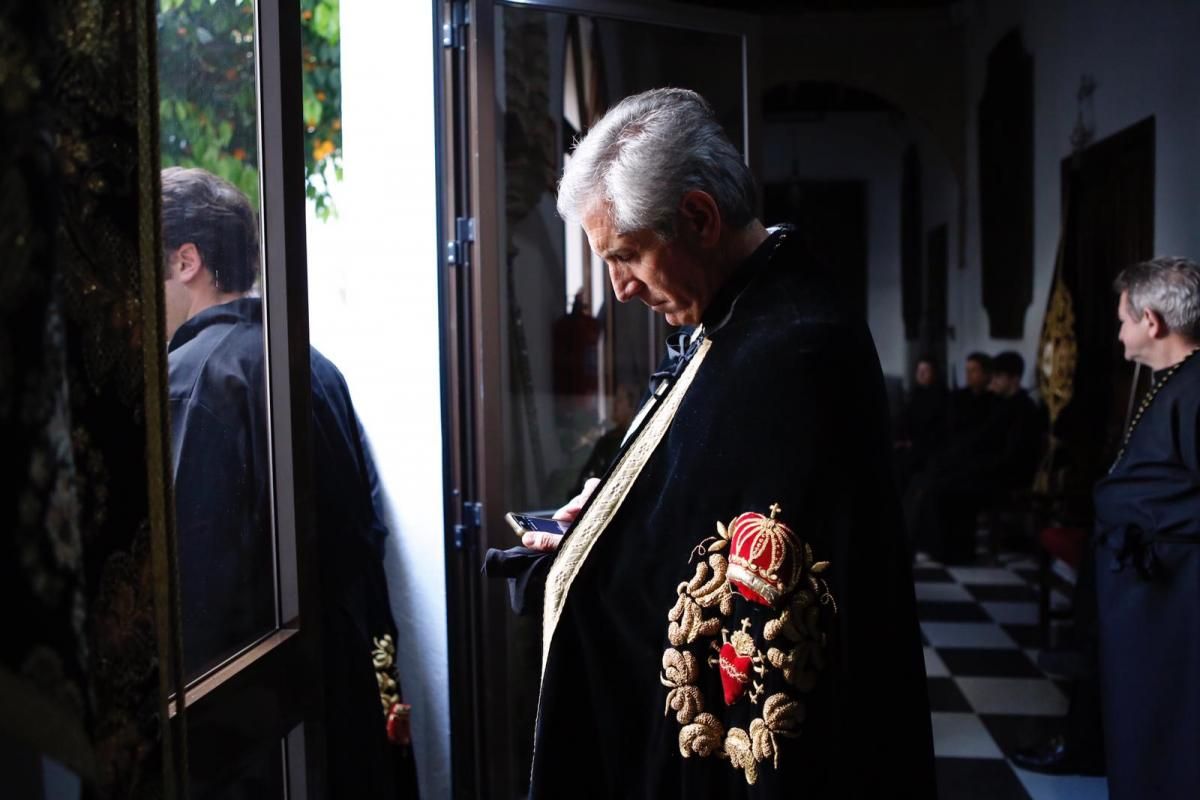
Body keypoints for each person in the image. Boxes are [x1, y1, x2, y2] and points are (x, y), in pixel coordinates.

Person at [490, 88, 933, 799]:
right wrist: (602, 516)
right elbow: (692, 499)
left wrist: (589, 568)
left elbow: (759, 610)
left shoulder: (793, 349)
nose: (620, 288)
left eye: (626, 255)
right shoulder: (739, 316)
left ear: (698, 217)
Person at [161, 167, 417, 796]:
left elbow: (198, 590)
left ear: (187, 260)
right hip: (343, 690)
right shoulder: (311, 361)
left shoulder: (193, 377)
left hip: (257, 735)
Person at [1092, 257, 1200, 799]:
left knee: (1166, 726)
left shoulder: (1196, 387)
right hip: (1150, 595)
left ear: (1152, 322)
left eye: (1122, 319)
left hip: (1177, 602)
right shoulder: (1173, 381)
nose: (1119, 331)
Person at [894, 355, 947, 491]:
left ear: (934, 373)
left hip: (926, 446)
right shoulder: (916, 393)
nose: (921, 374)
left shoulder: (941, 397)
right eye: (919, 370)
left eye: (926, 370)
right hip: (909, 442)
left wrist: (912, 443)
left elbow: (937, 429)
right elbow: (903, 419)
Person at [947, 351, 994, 437]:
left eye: (973, 370)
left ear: (986, 374)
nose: (968, 374)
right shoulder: (958, 397)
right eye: (967, 370)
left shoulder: (994, 400)